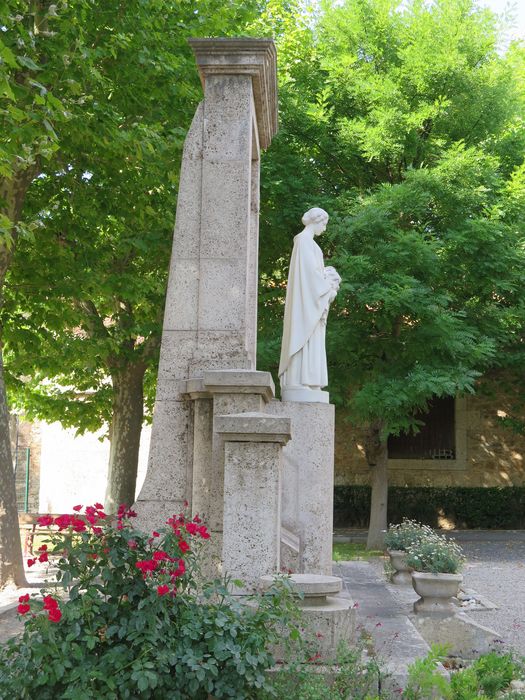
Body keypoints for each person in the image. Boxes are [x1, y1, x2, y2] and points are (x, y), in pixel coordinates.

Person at [278, 207, 341, 401]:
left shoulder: (311, 245)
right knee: (304, 337)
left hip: (313, 303)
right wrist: (329, 287)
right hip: (306, 304)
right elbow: (310, 277)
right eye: (324, 224)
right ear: (317, 221)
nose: (324, 228)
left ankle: (308, 381)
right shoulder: (304, 242)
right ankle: (299, 381)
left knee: (312, 340)